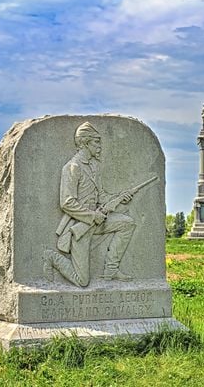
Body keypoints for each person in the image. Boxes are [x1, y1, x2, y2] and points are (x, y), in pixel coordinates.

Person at [43, 121, 136, 287]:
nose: (99, 146)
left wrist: (120, 197)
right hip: (80, 226)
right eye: (96, 141)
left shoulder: (94, 166)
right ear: (85, 143)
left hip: (98, 220)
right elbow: (67, 202)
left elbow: (101, 195)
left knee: (127, 224)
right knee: (82, 281)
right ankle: (52, 257)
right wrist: (93, 216)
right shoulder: (72, 168)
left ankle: (111, 269)